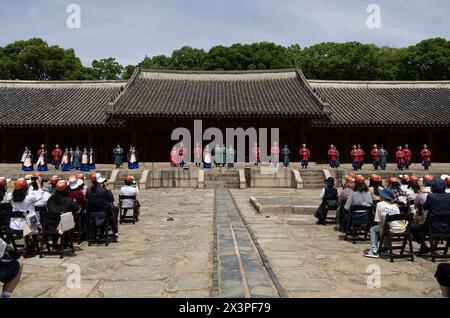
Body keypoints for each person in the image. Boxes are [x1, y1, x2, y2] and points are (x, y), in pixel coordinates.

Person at [411, 179, 450, 254]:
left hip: (432, 228)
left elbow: (425, 207)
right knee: (439, 222)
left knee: (411, 227)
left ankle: (424, 246)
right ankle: (434, 246)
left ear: (434, 187)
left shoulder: (431, 196)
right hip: (448, 227)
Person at [364, 188, 405, 258]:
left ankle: (374, 251)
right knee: (387, 226)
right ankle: (385, 249)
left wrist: (382, 236)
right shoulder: (395, 206)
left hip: (390, 228)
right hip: (401, 229)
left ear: (383, 197)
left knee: (373, 229)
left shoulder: (379, 204)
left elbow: (380, 223)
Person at [10, 178, 44, 254]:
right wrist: (39, 185)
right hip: (29, 225)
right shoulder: (28, 198)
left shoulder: (12, 200)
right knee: (36, 220)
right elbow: (40, 196)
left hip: (14, 225)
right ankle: (31, 242)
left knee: (29, 218)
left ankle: (27, 242)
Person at [46, 180, 81, 249]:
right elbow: (78, 209)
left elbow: (48, 208)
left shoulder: (50, 199)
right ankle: (65, 242)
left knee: (59, 218)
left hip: (51, 224)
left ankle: (55, 243)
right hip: (64, 225)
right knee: (72, 215)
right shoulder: (69, 200)